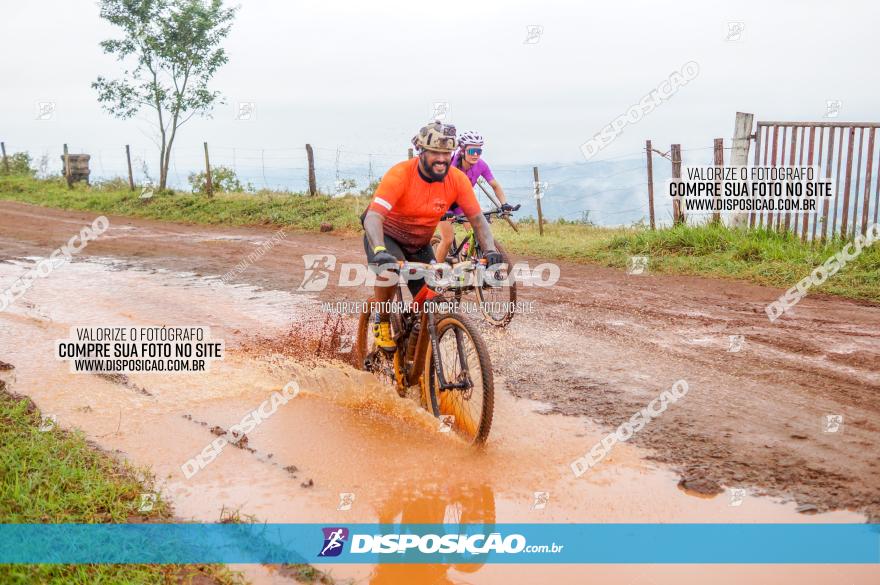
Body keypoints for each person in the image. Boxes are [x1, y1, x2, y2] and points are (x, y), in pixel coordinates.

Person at [362, 121, 502, 351]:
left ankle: (414, 354)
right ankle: (383, 320)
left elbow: (478, 220)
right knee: (388, 272)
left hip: (419, 243)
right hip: (387, 236)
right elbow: (373, 217)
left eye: (447, 153)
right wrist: (379, 250)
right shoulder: (400, 174)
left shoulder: (456, 179)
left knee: (433, 303)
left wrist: (491, 251)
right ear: (422, 152)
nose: (442, 158)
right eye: (435, 152)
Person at [434, 131, 513, 263]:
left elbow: (494, 185)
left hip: (461, 202)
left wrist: (504, 204)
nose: (476, 154)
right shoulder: (450, 166)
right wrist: (446, 212)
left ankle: (466, 255)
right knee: (447, 239)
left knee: (477, 231)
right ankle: (434, 272)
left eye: (479, 151)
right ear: (463, 151)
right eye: (472, 151)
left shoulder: (481, 165)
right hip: (442, 202)